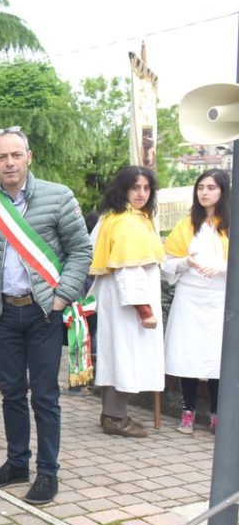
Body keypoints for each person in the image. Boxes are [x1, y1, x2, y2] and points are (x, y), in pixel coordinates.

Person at [0, 127, 91, 506]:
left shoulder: (58, 196)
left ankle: (47, 472)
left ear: (28, 157)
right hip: (4, 314)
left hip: (43, 314)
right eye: (1, 157)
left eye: (15, 155)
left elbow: (81, 252)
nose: (9, 162)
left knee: (46, 396)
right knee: (12, 394)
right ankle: (17, 463)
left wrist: (60, 298)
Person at [89, 166, 164, 437]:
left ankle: (111, 413)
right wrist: (144, 310)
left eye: (146, 188)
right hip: (129, 303)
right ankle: (116, 418)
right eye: (135, 188)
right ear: (124, 189)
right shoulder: (129, 222)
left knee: (115, 355)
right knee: (125, 357)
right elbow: (129, 270)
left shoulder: (112, 217)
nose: (141, 193)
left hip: (114, 299)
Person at [163, 168, 230, 434]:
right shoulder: (187, 223)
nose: (205, 193)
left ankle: (216, 414)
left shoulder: (231, 223)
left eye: (211, 188)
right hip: (190, 296)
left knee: (217, 357)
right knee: (187, 354)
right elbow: (167, 262)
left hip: (219, 298)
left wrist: (223, 267)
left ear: (223, 191)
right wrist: (185, 261)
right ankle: (187, 411)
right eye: (201, 187)